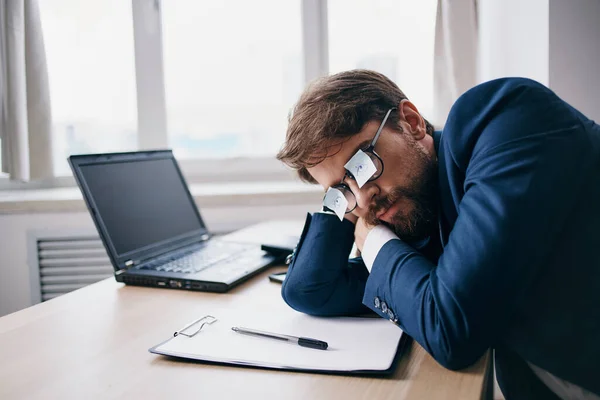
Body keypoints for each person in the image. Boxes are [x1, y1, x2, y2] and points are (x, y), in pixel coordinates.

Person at [276, 69, 600, 399]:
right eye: (341, 190)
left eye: (362, 163)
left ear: (411, 122)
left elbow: (450, 330)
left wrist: (371, 236)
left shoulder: (504, 120)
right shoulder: (414, 213)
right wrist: (350, 196)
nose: (361, 197)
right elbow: (309, 290)